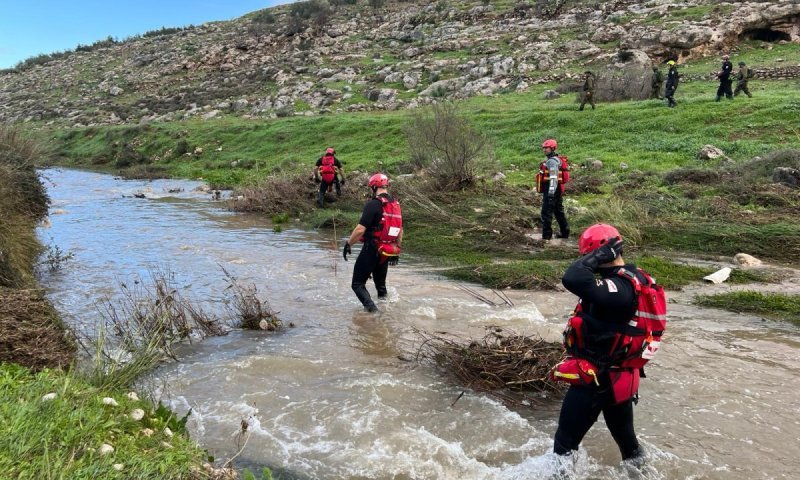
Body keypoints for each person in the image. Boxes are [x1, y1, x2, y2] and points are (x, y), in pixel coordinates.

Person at [551, 223, 666, 464]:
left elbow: (572, 277)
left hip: (597, 379)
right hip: (621, 379)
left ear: (599, 253)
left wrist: (597, 256)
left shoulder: (619, 288)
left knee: (564, 445)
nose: (586, 259)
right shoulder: (635, 278)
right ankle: (641, 475)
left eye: (587, 255)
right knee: (628, 445)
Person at [343, 173, 403, 313]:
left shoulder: (373, 204)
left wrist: (348, 244)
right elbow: (400, 231)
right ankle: (386, 312)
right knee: (381, 287)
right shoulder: (396, 205)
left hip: (372, 249)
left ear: (374, 187)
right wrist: (396, 250)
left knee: (357, 284)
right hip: (386, 251)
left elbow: (360, 230)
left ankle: (374, 314)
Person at [537, 139, 570, 240]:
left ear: (552, 148)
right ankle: (565, 233)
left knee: (546, 213)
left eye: (546, 148)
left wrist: (551, 192)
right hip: (557, 190)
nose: (544, 150)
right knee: (558, 212)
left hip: (552, 190)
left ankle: (546, 236)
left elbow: (553, 177)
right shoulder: (556, 159)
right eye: (544, 148)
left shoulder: (552, 161)